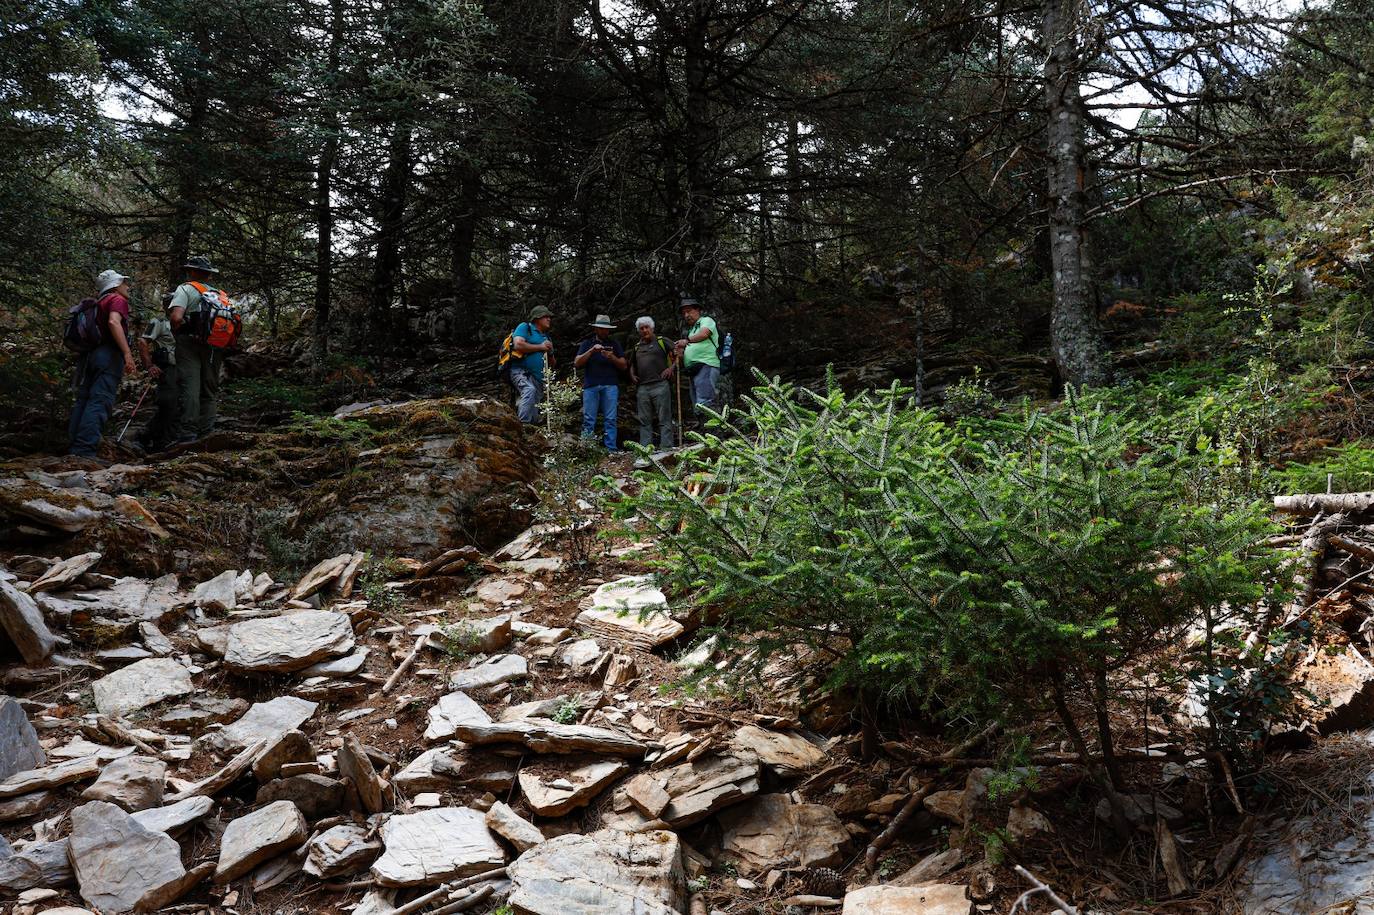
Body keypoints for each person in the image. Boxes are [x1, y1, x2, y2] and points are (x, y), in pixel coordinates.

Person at [69, 269, 138, 458]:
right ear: (115, 286)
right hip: (108, 356)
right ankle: (84, 450)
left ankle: (75, 447)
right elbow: (114, 322)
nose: (127, 286)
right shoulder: (117, 299)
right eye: (124, 283)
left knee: (84, 400)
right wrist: (127, 353)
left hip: (90, 356)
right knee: (100, 400)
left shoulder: (99, 302)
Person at [166, 255, 225, 444]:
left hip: (189, 343)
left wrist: (177, 331)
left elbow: (176, 317)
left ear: (191, 271)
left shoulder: (185, 289)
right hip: (215, 345)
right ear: (209, 275)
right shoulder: (220, 295)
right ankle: (207, 432)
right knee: (209, 389)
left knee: (190, 387)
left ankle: (188, 434)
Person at [134, 296, 180, 453]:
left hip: (182, 368)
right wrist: (149, 365)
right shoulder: (159, 322)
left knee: (178, 405)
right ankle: (149, 437)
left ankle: (162, 440)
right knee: (168, 403)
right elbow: (143, 342)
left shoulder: (183, 323)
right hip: (166, 367)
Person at [574, 314, 627, 450]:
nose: (604, 331)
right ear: (596, 329)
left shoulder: (614, 344)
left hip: (610, 385)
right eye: (601, 328)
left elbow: (623, 365)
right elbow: (577, 363)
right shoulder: (587, 344)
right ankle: (587, 449)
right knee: (589, 419)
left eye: (606, 329)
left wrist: (611, 357)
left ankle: (611, 449)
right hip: (591, 386)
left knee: (610, 419)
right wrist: (591, 351)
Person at [628, 316, 675, 455]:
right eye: (641, 328)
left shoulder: (662, 341)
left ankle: (666, 448)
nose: (644, 330)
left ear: (652, 328)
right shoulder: (637, 347)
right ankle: (646, 450)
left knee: (664, 417)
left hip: (661, 384)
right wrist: (632, 375)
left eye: (646, 327)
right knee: (644, 420)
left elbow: (678, 353)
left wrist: (671, 368)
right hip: (642, 387)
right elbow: (631, 364)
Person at [674, 297, 720, 424]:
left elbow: (705, 334)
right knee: (698, 404)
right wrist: (680, 354)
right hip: (695, 369)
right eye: (684, 313)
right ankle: (704, 430)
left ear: (698, 310)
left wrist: (686, 341)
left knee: (705, 401)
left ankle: (714, 431)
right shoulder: (692, 330)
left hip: (706, 365)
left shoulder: (706, 321)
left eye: (689, 311)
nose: (686, 315)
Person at [510, 306, 555, 424]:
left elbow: (553, 364)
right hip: (521, 371)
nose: (549, 319)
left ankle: (531, 428)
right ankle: (522, 425)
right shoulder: (525, 327)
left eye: (549, 317)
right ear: (537, 318)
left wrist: (550, 352)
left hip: (538, 378)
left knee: (535, 405)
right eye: (546, 316)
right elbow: (518, 344)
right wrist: (541, 347)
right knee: (529, 390)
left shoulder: (546, 337)